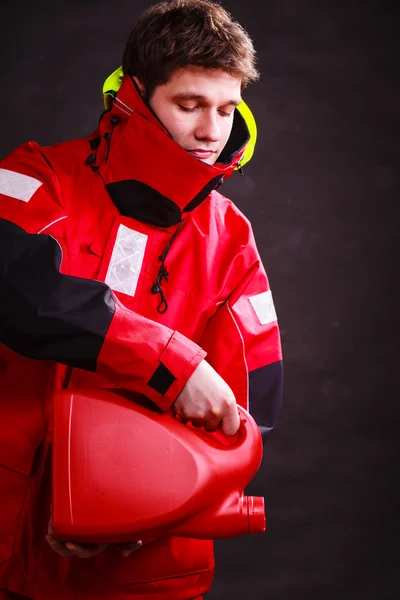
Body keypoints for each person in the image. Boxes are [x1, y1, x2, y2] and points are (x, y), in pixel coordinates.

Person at [0, 0, 283, 598]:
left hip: (147, 573)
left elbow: (249, 414)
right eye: (190, 105)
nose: (213, 131)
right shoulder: (38, 176)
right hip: (11, 542)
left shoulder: (230, 239)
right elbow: (15, 288)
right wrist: (173, 365)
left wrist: (150, 503)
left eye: (228, 109)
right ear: (134, 95)